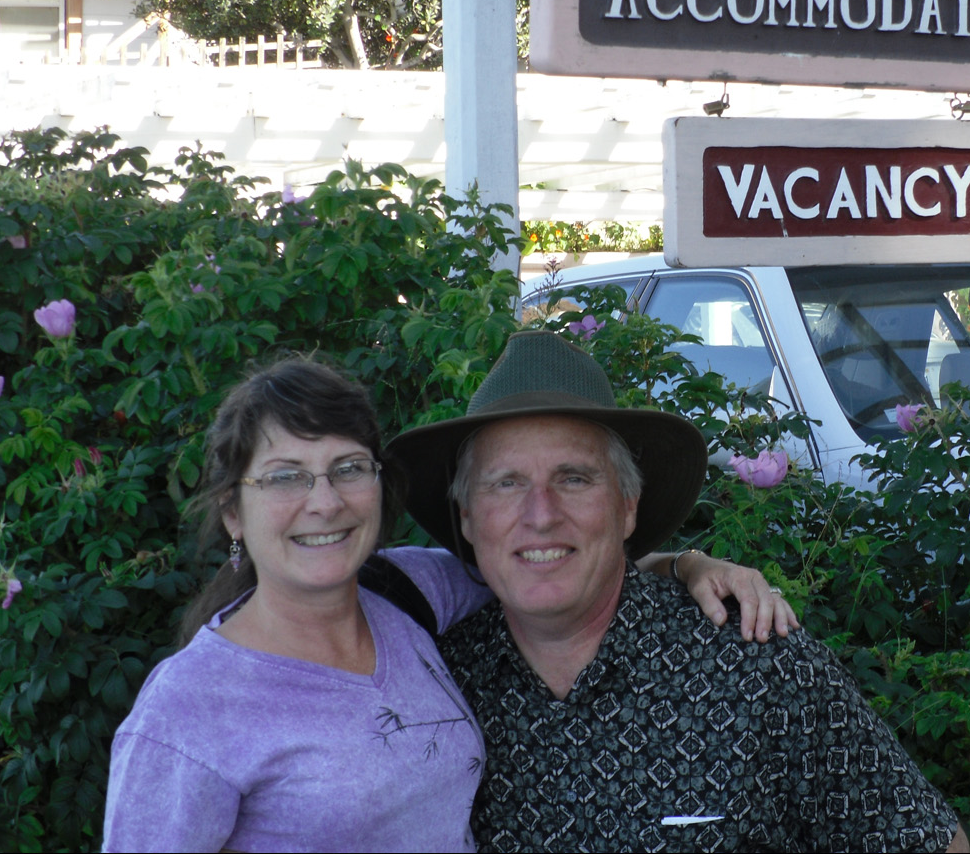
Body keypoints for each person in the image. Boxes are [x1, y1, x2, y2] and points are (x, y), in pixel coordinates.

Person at [102, 357, 795, 853]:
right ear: (233, 512)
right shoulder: (188, 711)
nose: (324, 500)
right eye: (285, 476)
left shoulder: (411, 593)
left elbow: (552, 560)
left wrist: (687, 563)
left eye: (348, 468)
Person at [390, 330, 970, 853]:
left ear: (627, 506)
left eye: (574, 478)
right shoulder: (430, 686)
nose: (540, 516)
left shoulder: (759, 662)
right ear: (467, 518)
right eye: (506, 483)